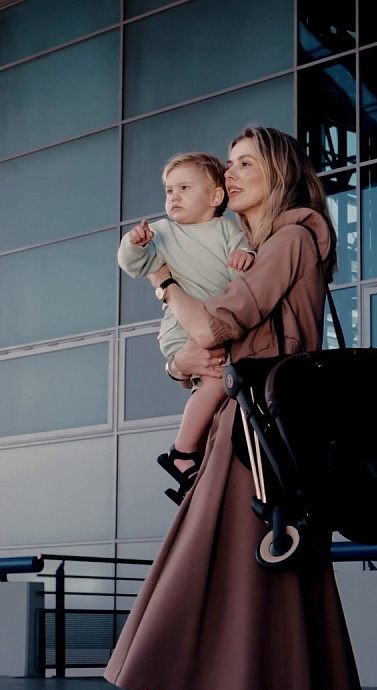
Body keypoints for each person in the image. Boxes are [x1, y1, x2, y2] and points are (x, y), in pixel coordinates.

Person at [105, 126, 362, 690]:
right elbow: (204, 353)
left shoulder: (290, 238)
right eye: (229, 164)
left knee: (172, 612)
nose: (232, 173)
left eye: (246, 163)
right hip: (251, 444)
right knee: (279, 619)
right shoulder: (256, 246)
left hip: (250, 451)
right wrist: (181, 361)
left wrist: (164, 281)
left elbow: (214, 329)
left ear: (279, 173)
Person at [118, 152, 254, 499]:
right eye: (169, 190)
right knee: (214, 381)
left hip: (215, 324)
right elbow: (135, 267)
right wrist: (134, 245)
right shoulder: (163, 233)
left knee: (219, 386)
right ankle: (181, 452)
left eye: (184, 188)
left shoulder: (228, 230)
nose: (173, 197)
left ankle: (202, 453)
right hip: (180, 327)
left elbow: (244, 272)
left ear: (215, 196)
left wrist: (246, 256)